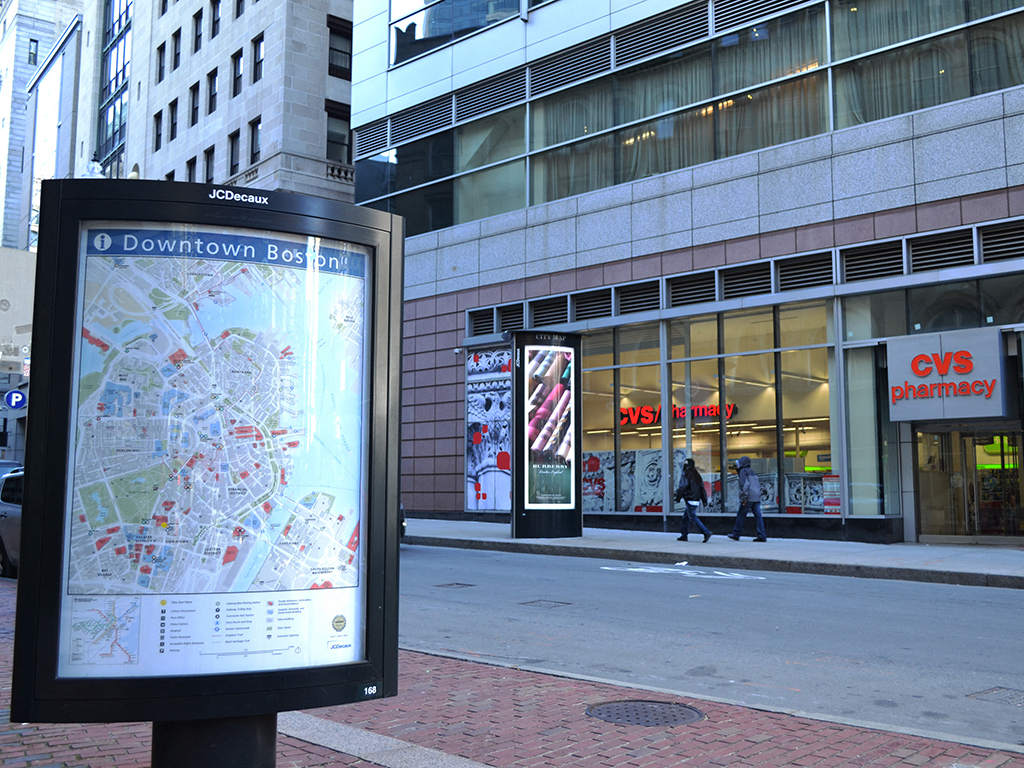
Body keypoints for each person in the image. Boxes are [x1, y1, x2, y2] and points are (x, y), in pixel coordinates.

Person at [728, 456, 767, 541]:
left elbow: (744, 485)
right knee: (758, 516)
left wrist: (744, 498)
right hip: (756, 496)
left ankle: (736, 533)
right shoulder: (752, 471)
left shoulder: (743, 471)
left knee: (741, 514)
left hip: (749, 496)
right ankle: (762, 535)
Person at [675, 458, 712, 543]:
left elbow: (683, 486)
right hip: (696, 499)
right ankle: (684, 535)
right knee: (686, 517)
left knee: (692, 517)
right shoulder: (696, 475)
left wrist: (678, 497)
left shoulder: (686, 474)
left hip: (690, 498)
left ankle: (706, 532)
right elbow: (702, 488)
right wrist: (704, 501)